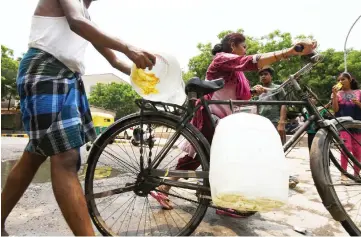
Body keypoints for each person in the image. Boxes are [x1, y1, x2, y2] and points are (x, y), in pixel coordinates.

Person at [1, 0, 156, 236]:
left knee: (34, 155)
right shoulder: (79, 17)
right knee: (66, 156)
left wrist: (146, 80)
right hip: (45, 70)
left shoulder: (86, 18)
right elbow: (76, 23)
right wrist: (128, 47)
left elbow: (114, 60)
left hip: (67, 77)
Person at [150, 32, 316, 216]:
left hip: (224, 119)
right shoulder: (222, 59)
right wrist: (290, 51)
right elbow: (251, 61)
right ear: (232, 44)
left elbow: (238, 95)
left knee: (201, 158)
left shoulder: (235, 70)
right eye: (243, 46)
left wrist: (252, 91)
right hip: (210, 115)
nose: (245, 50)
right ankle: (221, 200)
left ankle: (167, 189)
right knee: (215, 158)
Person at [332, 72, 361, 183]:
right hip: (343, 124)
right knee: (345, 148)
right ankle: (343, 174)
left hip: (357, 124)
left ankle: (356, 174)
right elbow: (335, 109)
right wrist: (334, 95)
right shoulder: (338, 93)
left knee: (357, 150)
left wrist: (358, 103)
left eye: (343, 79)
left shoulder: (359, 92)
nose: (341, 82)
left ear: (350, 79)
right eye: (339, 80)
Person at [257, 66, 287, 144]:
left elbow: (284, 104)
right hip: (261, 123)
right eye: (261, 75)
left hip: (275, 122)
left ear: (271, 76)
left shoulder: (277, 88)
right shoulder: (257, 90)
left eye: (265, 74)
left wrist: (281, 122)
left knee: (278, 146)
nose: (263, 76)